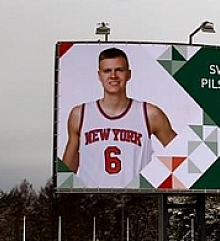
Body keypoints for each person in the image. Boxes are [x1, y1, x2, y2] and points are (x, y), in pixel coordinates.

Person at [62, 47, 177, 188]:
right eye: (107, 71)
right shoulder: (80, 114)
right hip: (92, 201)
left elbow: (180, 153)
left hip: (136, 200)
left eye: (119, 70)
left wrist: (156, 181)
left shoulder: (150, 114)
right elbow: (66, 172)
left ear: (129, 74)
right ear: (99, 75)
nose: (113, 76)